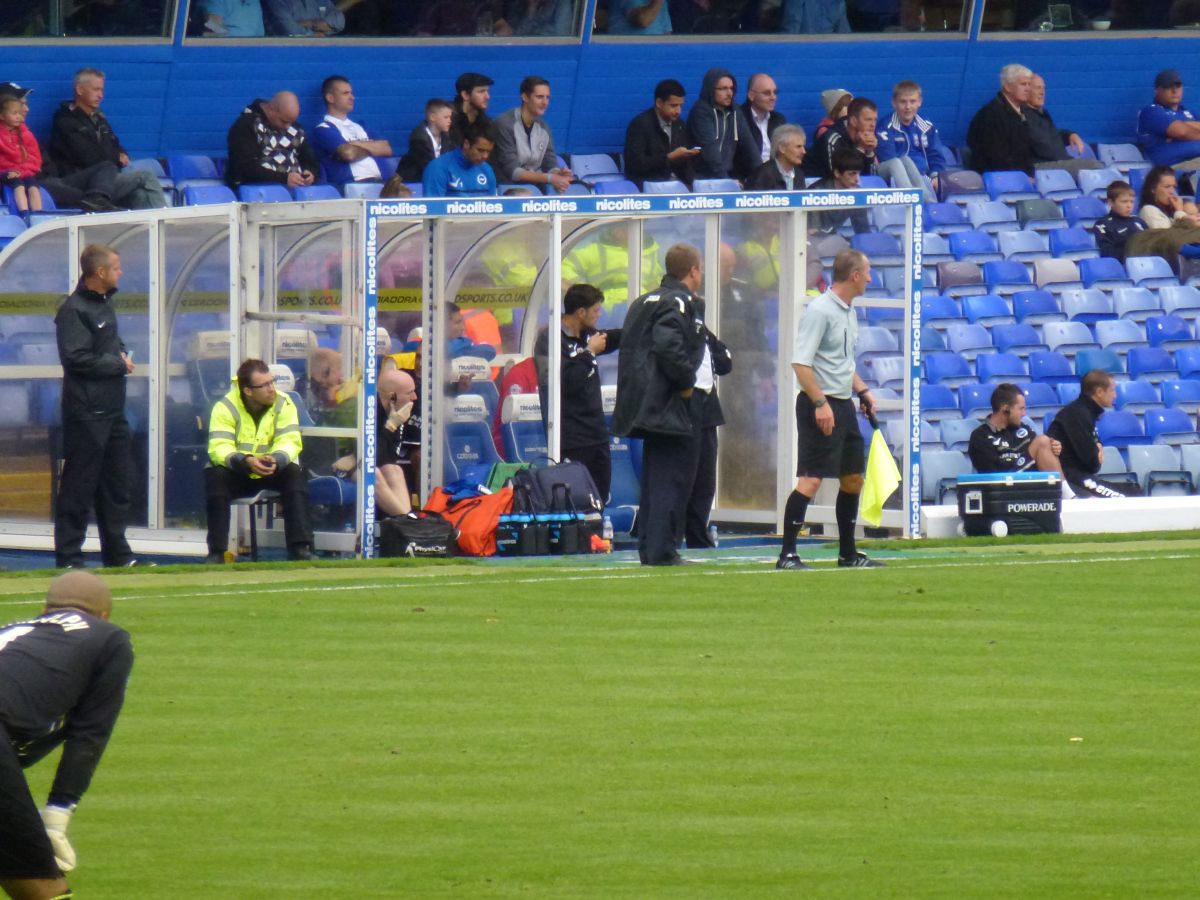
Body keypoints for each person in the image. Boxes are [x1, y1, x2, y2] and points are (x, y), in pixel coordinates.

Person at [0, 571, 133, 900]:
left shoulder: (12, 631)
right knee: (38, 883)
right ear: (103, 615)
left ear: (45, 610)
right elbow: (90, 733)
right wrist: (57, 818)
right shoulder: (108, 638)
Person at [777, 248, 883, 570]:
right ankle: (787, 555)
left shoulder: (848, 311)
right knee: (811, 480)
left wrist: (862, 390)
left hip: (843, 404)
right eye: (866, 272)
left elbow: (840, 362)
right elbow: (800, 363)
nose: (869, 277)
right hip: (819, 404)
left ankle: (847, 555)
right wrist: (820, 403)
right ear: (853, 276)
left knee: (853, 479)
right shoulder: (821, 311)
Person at [612, 243, 708, 566]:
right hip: (668, 405)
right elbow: (669, 347)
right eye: (701, 268)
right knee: (673, 478)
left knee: (655, 478)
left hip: (643, 405)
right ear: (693, 270)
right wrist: (685, 384)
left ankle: (650, 548)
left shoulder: (644, 300)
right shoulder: (679, 302)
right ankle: (662, 550)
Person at [54, 244, 138, 570]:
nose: (121, 272)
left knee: (117, 484)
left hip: (113, 410)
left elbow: (108, 346)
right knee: (79, 485)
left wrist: (121, 354)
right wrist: (117, 364)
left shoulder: (106, 306)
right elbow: (76, 358)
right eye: (116, 267)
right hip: (86, 413)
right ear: (100, 273)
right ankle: (69, 557)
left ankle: (118, 555)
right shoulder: (73, 310)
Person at [205, 358, 314, 562]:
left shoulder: (284, 403)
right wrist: (245, 460)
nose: (271, 389)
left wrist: (276, 459)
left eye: (271, 382)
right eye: (264, 385)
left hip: (272, 468)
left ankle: (301, 549)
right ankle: (217, 552)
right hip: (239, 471)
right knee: (215, 474)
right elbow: (218, 448)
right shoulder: (225, 407)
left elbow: (290, 440)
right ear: (247, 391)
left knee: (295, 472)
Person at [534, 283, 621, 503]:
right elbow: (567, 381)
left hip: (596, 433)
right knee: (576, 500)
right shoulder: (550, 340)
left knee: (599, 498)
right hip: (571, 436)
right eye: (595, 311)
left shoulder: (587, 334)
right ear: (580, 312)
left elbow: (611, 338)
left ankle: (597, 537)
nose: (599, 315)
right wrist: (589, 352)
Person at [47, 67, 167, 209]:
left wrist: (120, 153)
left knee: (139, 195)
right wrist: (116, 157)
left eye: (102, 90)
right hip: (86, 185)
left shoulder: (99, 118)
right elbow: (89, 158)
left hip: (107, 180)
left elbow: (116, 144)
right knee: (146, 176)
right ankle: (168, 222)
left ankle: (143, 230)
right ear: (79, 90)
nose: (101, 95)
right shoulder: (65, 120)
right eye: (96, 90)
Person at [684, 288, 731, 549]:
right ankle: (670, 533)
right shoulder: (679, 336)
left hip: (708, 411)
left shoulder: (704, 337)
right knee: (683, 475)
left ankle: (697, 533)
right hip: (684, 408)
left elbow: (725, 362)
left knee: (704, 478)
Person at [967, 383, 1070, 488]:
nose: (1024, 414)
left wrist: (1053, 448)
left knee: (1045, 443)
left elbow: (1042, 456)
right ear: (1006, 409)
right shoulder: (980, 436)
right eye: (1021, 408)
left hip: (1034, 489)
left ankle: (1066, 497)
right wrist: (1035, 451)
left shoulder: (1024, 429)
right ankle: (1069, 498)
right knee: (1042, 442)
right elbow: (992, 476)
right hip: (1004, 490)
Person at [1046, 369, 1126, 498]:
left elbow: (1093, 449)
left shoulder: (1084, 412)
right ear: (1099, 392)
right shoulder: (1077, 414)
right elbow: (1092, 463)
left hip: (1078, 475)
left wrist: (1097, 447)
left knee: (1133, 491)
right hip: (1069, 477)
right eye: (1112, 390)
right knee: (1121, 498)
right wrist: (1097, 451)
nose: (1115, 395)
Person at [491, 76, 574, 193]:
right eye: (539, 97)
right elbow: (513, 172)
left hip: (536, 187)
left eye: (547, 97)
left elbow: (549, 162)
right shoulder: (504, 124)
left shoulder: (544, 127)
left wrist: (558, 173)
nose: (545, 102)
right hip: (507, 187)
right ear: (524, 97)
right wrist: (550, 178)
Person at [225, 91, 319, 190]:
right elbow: (244, 167)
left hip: (297, 191)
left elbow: (311, 160)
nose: (288, 127)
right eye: (284, 121)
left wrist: (311, 173)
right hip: (259, 191)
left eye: (292, 122)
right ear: (271, 109)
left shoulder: (296, 129)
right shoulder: (246, 125)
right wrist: (284, 179)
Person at [311, 75, 392, 189]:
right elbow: (348, 154)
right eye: (345, 93)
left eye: (351, 93)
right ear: (330, 98)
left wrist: (356, 144)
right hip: (353, 186)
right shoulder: (323, 129)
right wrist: (372, 148)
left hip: (383, 183)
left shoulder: (361, 125)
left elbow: (386, 148)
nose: (352, 97)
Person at [875, 80, 948, 200]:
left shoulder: (926, 125)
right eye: (903, 102)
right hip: (895, 180)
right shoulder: (885, 126)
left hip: (925, 177)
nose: (908, 107)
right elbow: (888, 159)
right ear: (894, 103)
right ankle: (918, 202)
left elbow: (936, 155)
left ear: (920, 102)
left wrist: (935, 176)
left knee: (941, 185)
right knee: (902, 162)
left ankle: (932, 210)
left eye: (912, 101)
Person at [623, 78, 699, 188]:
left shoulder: (679, 125)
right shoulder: (640, 125)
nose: (678, 111)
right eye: (673, 105)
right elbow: (634, 164)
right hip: (649, 187)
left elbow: (685, 167)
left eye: (680, 106)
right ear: (659, 103)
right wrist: (669, 158)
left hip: (678, 185)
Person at [687, 68, 758, 181]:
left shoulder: (735, 111)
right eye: (723, 89)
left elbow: (750, 147)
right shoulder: (701, 112)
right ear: (711, 89)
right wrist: (726, 181)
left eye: (731, 88)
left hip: (725, 175)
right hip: (701, 178)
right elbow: (710, 152)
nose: (729, 93)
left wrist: (763, 175)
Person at [1026, 73, 1103, 175]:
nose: (1042, 92)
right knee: (1093, 166)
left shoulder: (1043, 113)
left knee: (1100, 166)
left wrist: (1069, 135)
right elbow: (1042, 142)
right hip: (1042, 166)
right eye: (1037, 88)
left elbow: (1051, 134)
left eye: (1043, 88)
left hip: (1059, 162)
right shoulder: (1021, 117)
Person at [967, 63, 1035, 175]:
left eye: (1029, 84)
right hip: (998, 178)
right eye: (1023, 84)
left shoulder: (1022, 112)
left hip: (1019, 176)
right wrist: (1022, 178)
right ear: (1007, 87)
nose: (1028, 89)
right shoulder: (990, 115)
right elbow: (995, 157)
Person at [372, 368, 418, 517]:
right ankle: (408, 524)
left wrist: (393, 424)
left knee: (394, 469)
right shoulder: (370, 410)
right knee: (374, 474)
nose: (415, 397)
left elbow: (388, 460)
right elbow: (371, 457)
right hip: (348, 465)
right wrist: (391, 426)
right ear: (392, 397)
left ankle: (407, 519)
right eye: (409, 393)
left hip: (373, 464)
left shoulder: (396, 413)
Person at [1136, 69, 1200, 170]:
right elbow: (1182, 132)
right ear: (1157, 90)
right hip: (1170, 170)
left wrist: (1185, 126)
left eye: (1177, 86)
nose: (1174, 90)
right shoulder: (1151, 111)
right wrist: (1187, 130)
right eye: (1168, 87)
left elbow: (1183, 131)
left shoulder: (1190, 113)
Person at [806, 96, 879, 179]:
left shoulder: (868, 138)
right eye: (868, 119)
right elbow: (838, 178)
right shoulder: (832, 139)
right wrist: (861, 149)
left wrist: (869, 152)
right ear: (853, 121)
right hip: (816, 185)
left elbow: (873, 180)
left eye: (875, 120)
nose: (873, 125)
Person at [806, 143, 871, 235]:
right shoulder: (816, 193)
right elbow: (812, 232)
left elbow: (863, 230)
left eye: (858, 173)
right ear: (837, 173)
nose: (857, 180)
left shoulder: (856, 192)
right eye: (852, 174)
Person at [421, 124, 498, 198]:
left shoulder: (487, 170)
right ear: (466, 144)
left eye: (488, 152)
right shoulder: (438, 168)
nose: (485, 156)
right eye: (480, 150)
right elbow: (433, 207)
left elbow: (494, 206)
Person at [0, 93, 43, 214]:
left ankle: (38, 214)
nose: (19, 117)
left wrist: (23, 171)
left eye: (20, 113)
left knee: (34, 187)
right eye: (14, 114)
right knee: (19, 186)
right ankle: (24, 212)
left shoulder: (26, 134)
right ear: (2, 116)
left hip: (24, 172)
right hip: (5, 173)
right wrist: (6, 172)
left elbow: (35, 158)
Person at [739, 73, 785, 177]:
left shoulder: (779, 120)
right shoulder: (739, 118)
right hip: (748, 178)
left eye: (775, 92)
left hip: (775, 178)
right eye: (767, 93)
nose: (773, 97)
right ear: (751, 96)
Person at [398, 98, 453, 183]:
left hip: (435, 179)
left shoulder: (447, 138)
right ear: (432, 117)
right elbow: (428, 166)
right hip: (413, 181)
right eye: (446, 117)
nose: (450, 121)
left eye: (450, 117)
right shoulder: (419, 138)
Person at [1094, 180, 1147, 261]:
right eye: (1124, 201)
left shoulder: (1139, 221)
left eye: (1132, 202)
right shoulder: (1103, 224)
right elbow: (1107, 252)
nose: (1129, 205)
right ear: (1111, 202)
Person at [745, 123, 807, 191]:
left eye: (803, 146)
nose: (803, 151)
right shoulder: (762, 175)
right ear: (782, 148)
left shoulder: (799, 174)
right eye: (798, 147)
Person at [448, 72, 493, 147]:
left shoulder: (485, 122)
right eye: (481, 91)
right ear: (465, 95)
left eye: (487, 91)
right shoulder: (448, 119)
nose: (487, 97)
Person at [265, 0, 344, 34]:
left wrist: (327, 23)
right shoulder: (277, 1)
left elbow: (340, 21)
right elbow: (288, 29)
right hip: (287, 51)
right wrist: (313, 25)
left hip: (318, 50)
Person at [199, 0, 266, 36]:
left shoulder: (255, 2)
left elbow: (259, 35)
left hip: (251, 55)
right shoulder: (216, 1)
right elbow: (212, 33)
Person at [607, 0, 672, 33]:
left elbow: (666, 33)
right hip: (627, 52)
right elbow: (643, 20)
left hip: (654, 54)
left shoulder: (661, 3)